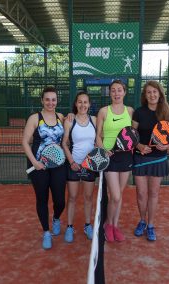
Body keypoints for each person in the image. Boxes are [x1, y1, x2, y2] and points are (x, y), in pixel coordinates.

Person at [22, 86, 67, 250]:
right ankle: (46, 232)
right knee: (42, 199)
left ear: (57, 101)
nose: (50, 102)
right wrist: (34, 162)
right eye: (47, 99)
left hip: (58, 165)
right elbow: (25, 142)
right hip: (39, 166)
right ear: (42, 100)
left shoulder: (61, 117)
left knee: (60, 200)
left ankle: (56, 218)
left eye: (53, 99)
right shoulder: (35, 118)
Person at [132, 80, 169, 241]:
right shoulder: (138, 112)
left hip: (158, 158)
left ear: (160, 93)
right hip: (140, 157)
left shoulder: (167, 111)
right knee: (141, 194)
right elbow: (132, 135)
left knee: (153, 193)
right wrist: (140, 145)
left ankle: (150, 225)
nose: (152, 95)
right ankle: (142, 221)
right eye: (149, 92)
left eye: (154, 92)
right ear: (145, 95)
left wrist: (167, 145)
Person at [96, 79, 134, 242]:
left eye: (119, 90)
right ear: (109, 93)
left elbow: (133, 135)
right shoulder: (104, 111)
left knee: (119, 195)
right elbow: (97, 136)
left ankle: (115, 225)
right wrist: (104, 150)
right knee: (116, 196)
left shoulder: (131, 111)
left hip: (126, 157)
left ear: (124, 92)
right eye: (113, 90)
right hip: (109, 157)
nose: (116, 93)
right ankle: (107, 225)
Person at [62, 91, 97, 243]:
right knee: (72, 197)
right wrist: (72, 162)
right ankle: (70, 227)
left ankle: (87, 225)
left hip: (89, 166)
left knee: (88, 197)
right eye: (80, 102)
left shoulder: (95, 120)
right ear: (76, 104)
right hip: (74, 165)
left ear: (89, 105)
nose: (83, 105)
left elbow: (98, 141)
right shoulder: (69, 120)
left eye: (85, 102)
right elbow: (64, 143)